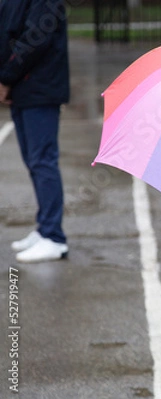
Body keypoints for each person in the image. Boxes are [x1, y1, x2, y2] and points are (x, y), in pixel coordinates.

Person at [0, 0, 70, 263]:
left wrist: (6, 77)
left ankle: (54, 237)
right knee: (34, 161)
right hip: (23, 89)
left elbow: (34, 40)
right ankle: (44, 229)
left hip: (39, 88)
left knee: (43, 161)